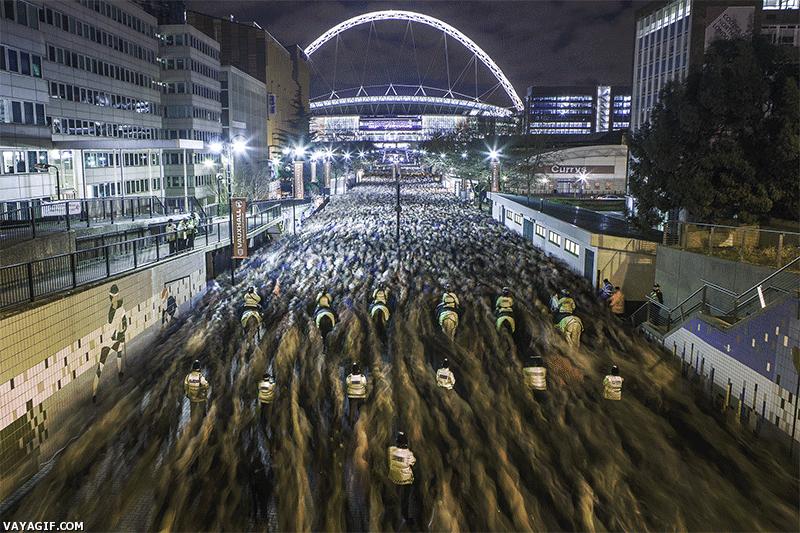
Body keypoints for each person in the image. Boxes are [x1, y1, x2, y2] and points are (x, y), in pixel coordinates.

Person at [92, 284, 128, 402]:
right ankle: (120, 373)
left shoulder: (113, 311)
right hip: (113, 339)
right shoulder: (121, 308)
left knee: (100, 367)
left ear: (110, 296)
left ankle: (94, 394)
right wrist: (122, 332)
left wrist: (121, 332)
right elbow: (125, 323)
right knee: (119, 351)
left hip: (110, 340)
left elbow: (122, 325)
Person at [388, 431, 416, 521]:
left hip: (393, 478)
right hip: (405, 480)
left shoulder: (391, 450)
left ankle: (393, 513)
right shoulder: (408, 453)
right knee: (405, 497)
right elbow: (413, 462)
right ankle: (405, 516)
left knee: (396, 495)